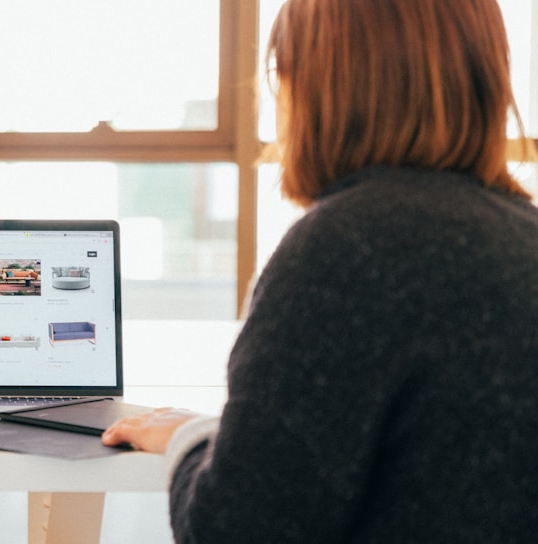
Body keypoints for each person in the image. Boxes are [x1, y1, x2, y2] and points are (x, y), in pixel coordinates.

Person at [102, 0, 538, 541]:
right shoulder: (525, 234)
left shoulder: (347, 247)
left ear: (315, 88)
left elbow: (237, 529)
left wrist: (192, 441)